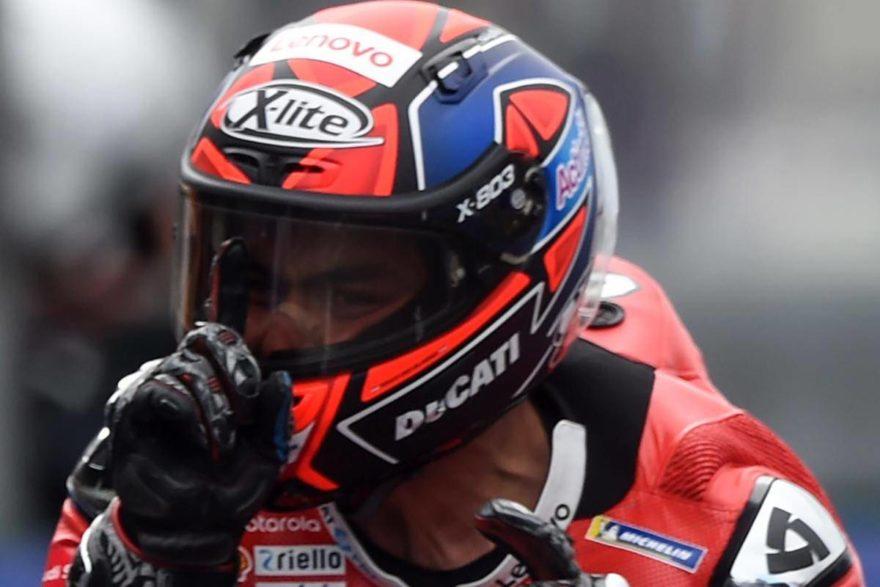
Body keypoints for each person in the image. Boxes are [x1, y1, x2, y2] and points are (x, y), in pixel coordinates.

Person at [43, 2, 864, 585]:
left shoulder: (731, 524)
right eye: (245, 279)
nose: (269, 333)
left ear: (494, 290)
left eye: (342, 286)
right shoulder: (159, 467)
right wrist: (166, 567)